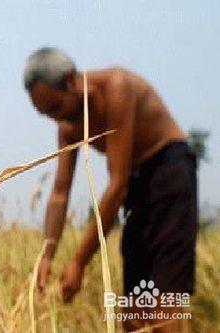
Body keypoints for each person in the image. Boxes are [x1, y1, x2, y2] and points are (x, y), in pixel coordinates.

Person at [24, 47, 197, 332]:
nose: (55, 119)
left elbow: (116, 186)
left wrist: (79, 262)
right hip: (136, 185)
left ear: (71, 80)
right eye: (46, 114)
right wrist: (48, 254)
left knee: (163, 303)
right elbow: (59, 193)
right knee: (134, 311)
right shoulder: (68, 125)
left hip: (169, 172)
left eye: (55, 107)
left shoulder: (118, 88)